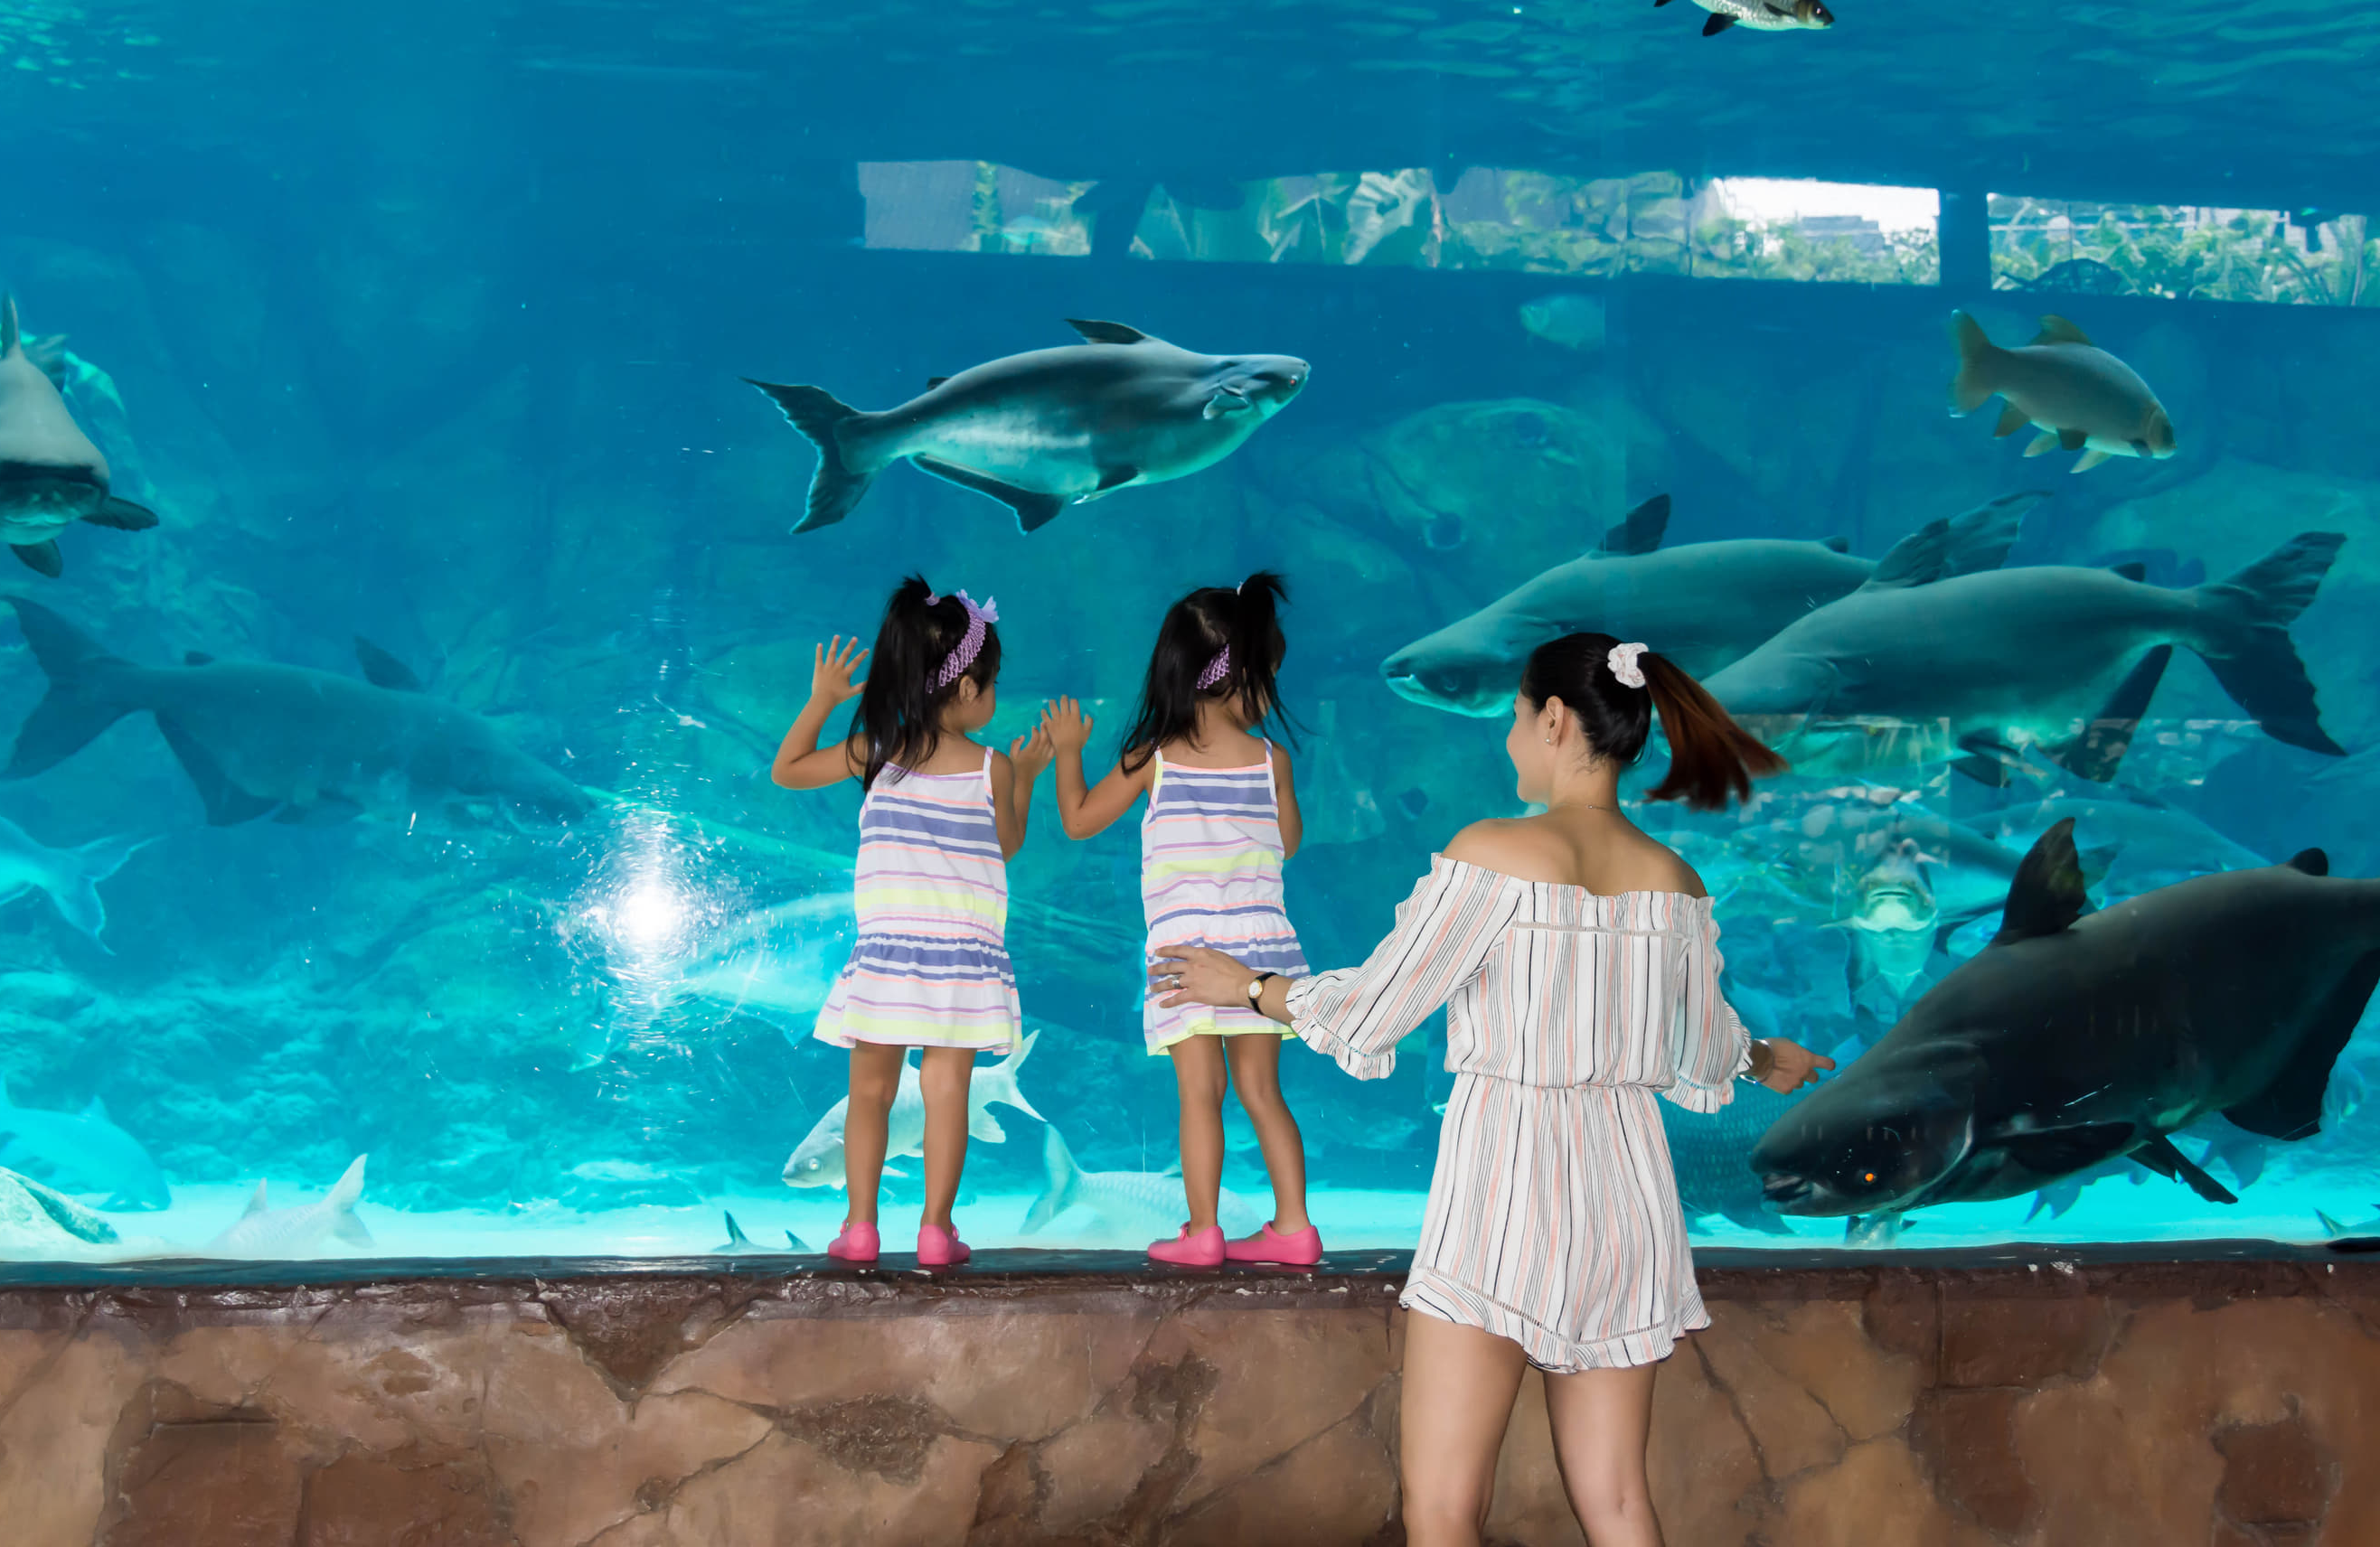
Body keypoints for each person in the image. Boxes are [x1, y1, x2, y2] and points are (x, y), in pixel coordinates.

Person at [1154, 632, 1833, 1545]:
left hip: (1506, 1189)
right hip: (1628, 1201)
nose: (1508, 739)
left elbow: (1374, 1008)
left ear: (1554, 721)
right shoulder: (1676, 884)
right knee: (1620, 1504)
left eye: (1514, 718)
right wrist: (1766, 1059)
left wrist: (1246, 986)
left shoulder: (1495, 854)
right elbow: (1704, 1049)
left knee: (1442, 1512)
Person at [772, 577, 1052, 1267]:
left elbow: (787, 770)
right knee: (945, 1095)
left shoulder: (876, 750)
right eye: (991, 684)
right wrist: (1031, 776)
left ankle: (860, 1229)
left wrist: (821, 703)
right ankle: (935, 1230)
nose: (993, 698)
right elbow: (1006, 846)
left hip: (890, 959)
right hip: (961, 961)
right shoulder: (995, 765)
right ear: (964, 689)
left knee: (866, 1095)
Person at [1042, 572, 1319, 1266]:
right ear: (1247, 675)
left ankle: (1203, 1233)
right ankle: (1294, 1228)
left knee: (1201, 1093)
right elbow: (1287, 843)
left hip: (1188, 959)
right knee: (1263, 1092)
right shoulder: (1271, 760)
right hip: (1261, 955)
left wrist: (1069, 751)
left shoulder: (1154, 757)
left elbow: (1078, 821)